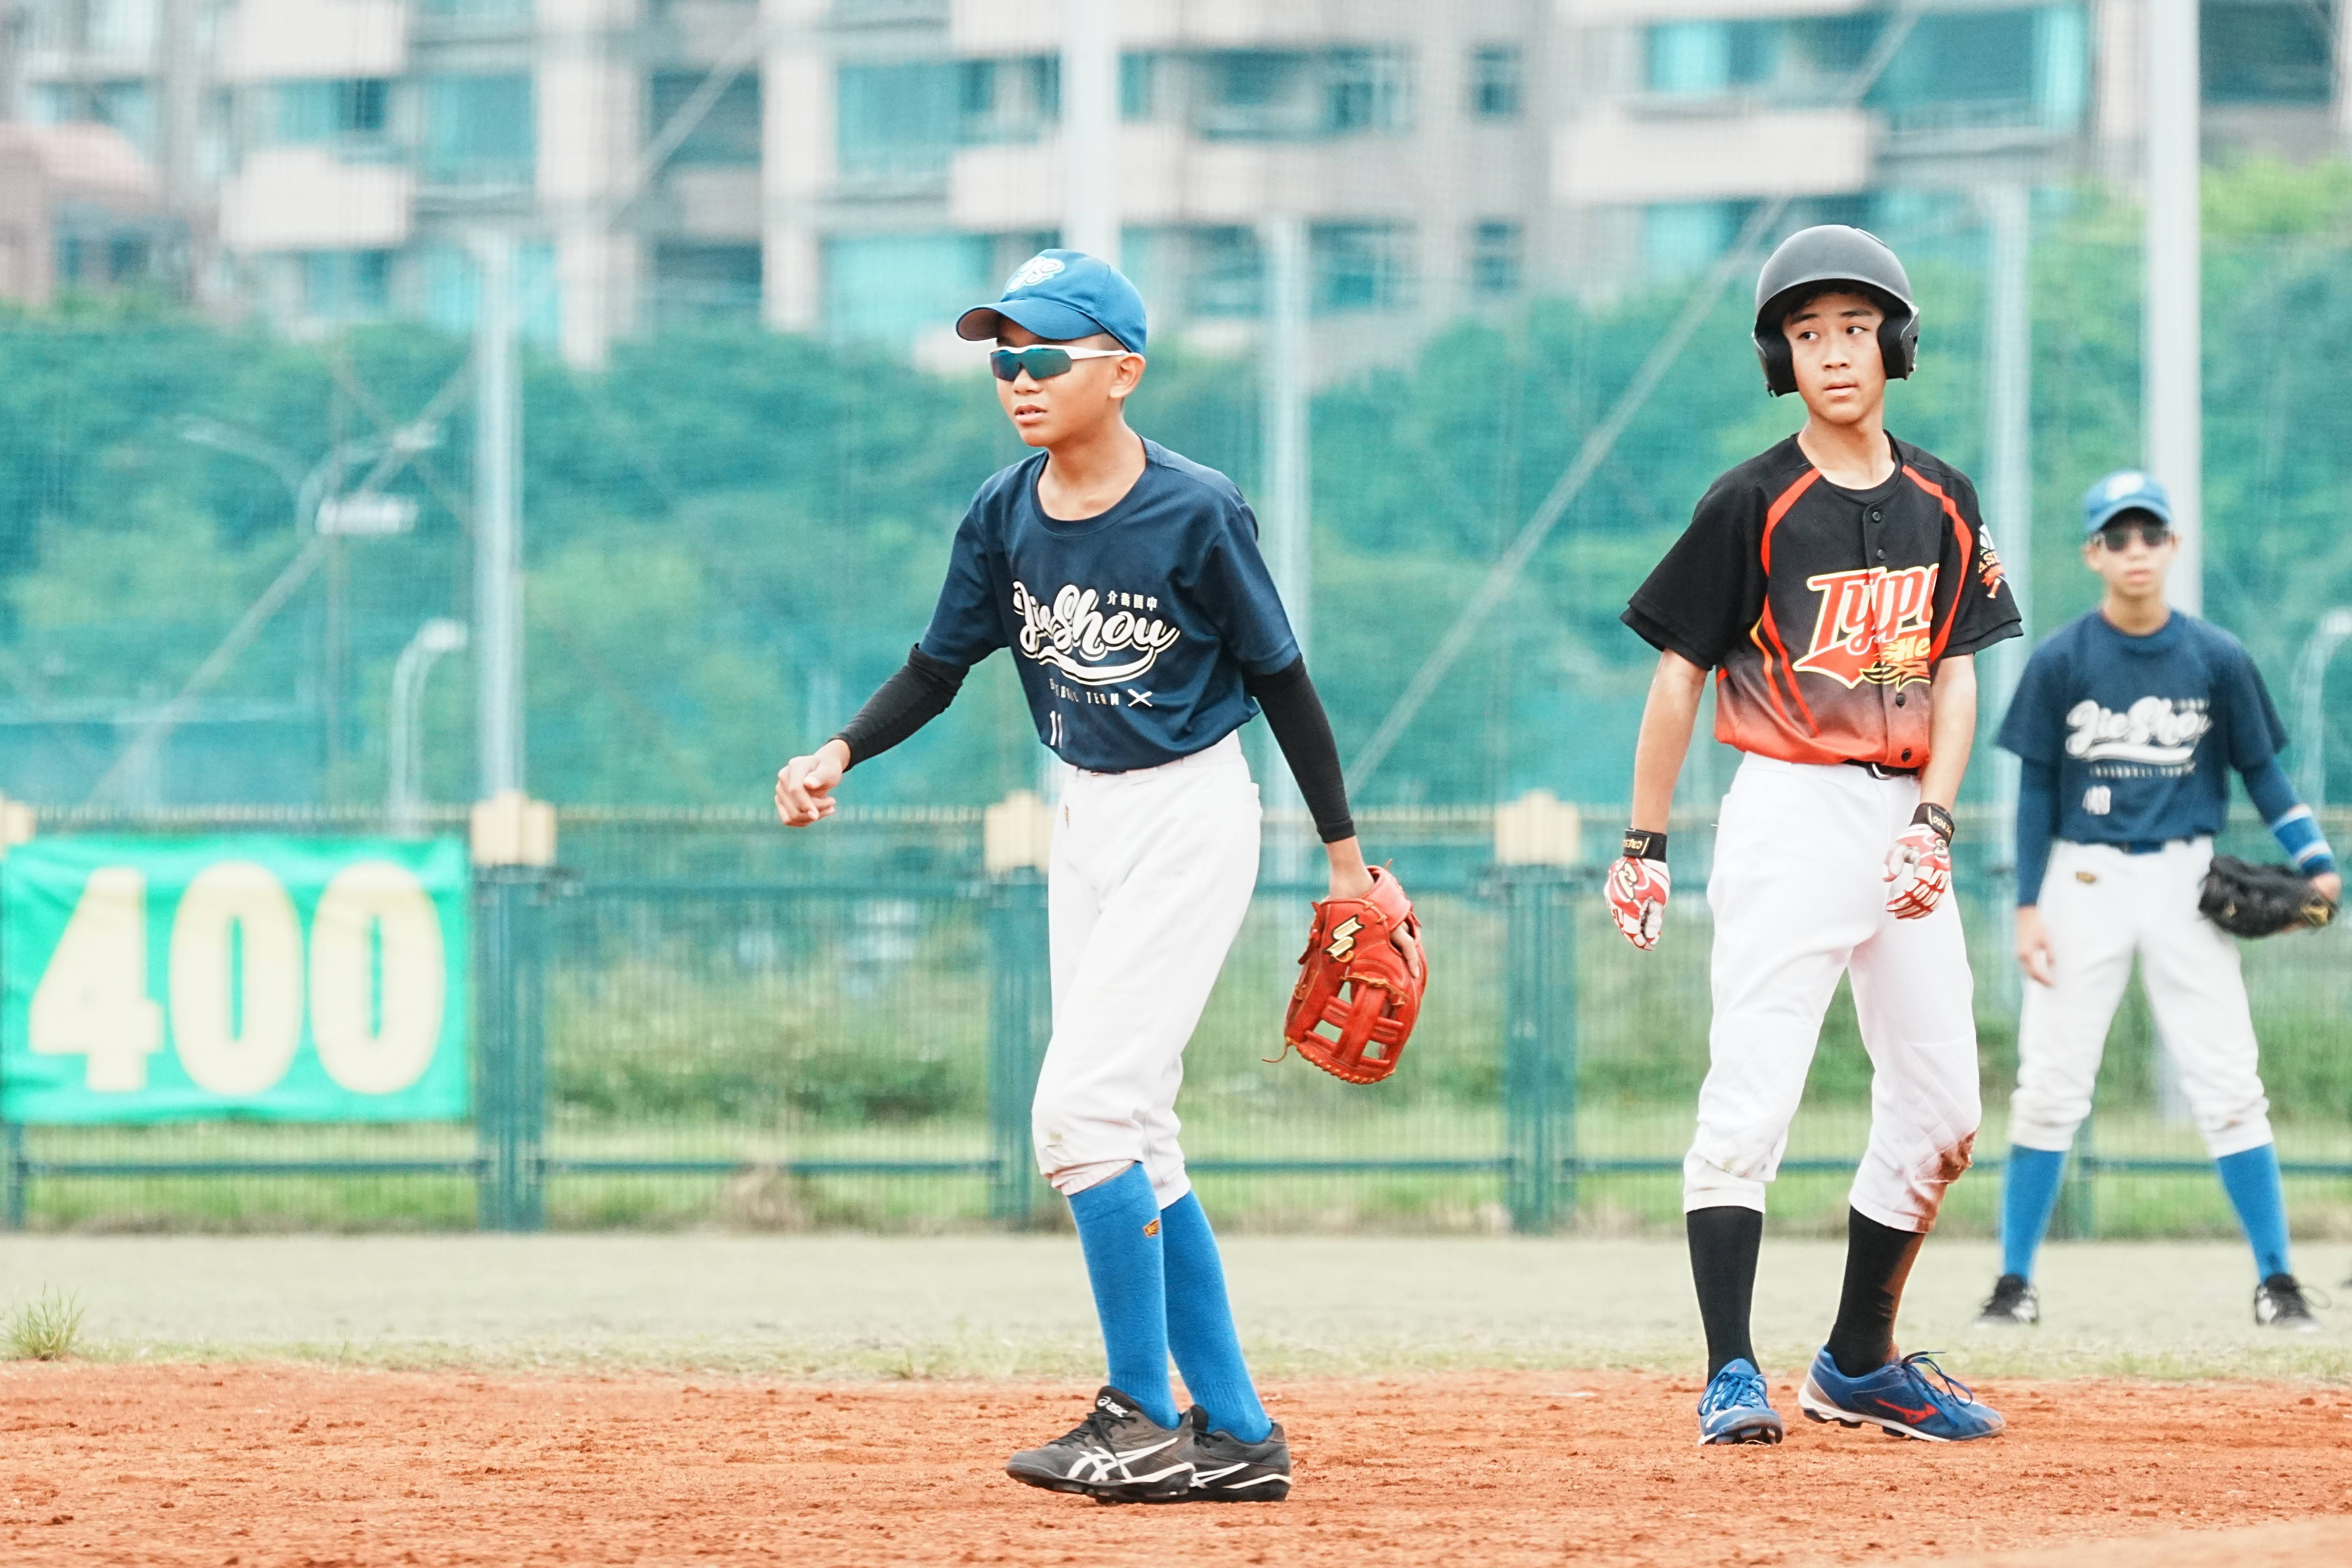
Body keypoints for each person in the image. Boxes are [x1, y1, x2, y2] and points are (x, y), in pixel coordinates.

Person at [774, 250, 1394, 1503]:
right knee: (1137, 1131)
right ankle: (1237, 1433)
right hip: (1088, 816)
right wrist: (840, 747)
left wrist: (1344, 859)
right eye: (1004, 358)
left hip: (1189, 811)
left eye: (1046, 356)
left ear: (1123, 371)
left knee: (1081, 1114)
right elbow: (938, 665)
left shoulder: (1196, 509)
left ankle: (1141, 1413)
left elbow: (1282, 679)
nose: (1020, 378)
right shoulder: (1004, 511)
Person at [1607, 226, 2020, 1446]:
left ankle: (1858, 1362)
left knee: (1944, 1111)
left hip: (1904, 823)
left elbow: (1957, 668)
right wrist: (1643, 844)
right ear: (1781, 360)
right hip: (1790, 810)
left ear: (1895, 345)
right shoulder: (1751, 499)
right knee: (1752, 1097)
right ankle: (1729, 1370)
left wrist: (1936, 816)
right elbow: (1680, 674)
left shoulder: (1944, 495)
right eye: (1806, 333)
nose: (1834, 353)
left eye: (1854, 328)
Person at [1974, 470, 2339, 1332]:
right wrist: (2027, 907)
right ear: (2093, 554)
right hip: (2083, 879)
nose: (2135, 551)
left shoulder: (2216, 656)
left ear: (2173, 546)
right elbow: (2036, 792)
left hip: (2188, 882)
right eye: (2118, 537)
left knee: (2229, 1081)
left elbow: (2262, 773)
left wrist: (2317, 863)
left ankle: (2279, 1281)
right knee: (2050, 1084)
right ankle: (2014, 1283)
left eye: (2150, 535)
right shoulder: (2063, 659)